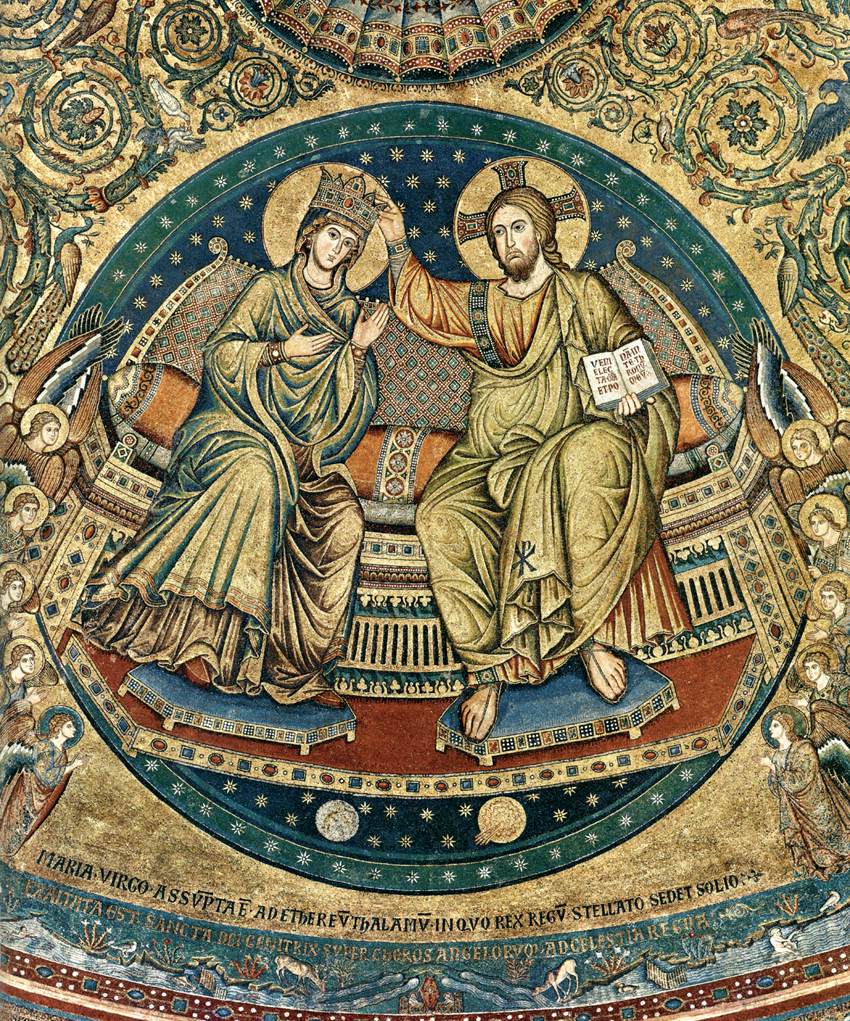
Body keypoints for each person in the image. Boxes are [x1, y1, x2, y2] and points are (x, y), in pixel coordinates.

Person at [379, 176, 689, 740]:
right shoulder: (482, 304)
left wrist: (629, 395)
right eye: (497, 233)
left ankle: (588, 638)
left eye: (517, 227)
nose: (508, 242)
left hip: (578, 430)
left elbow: (630, 350)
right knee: (441, 514)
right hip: (493, 448)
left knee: (584, 461)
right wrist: (398, 243)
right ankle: (487, 667)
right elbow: (426, 303)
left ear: (543, 233)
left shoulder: (583, 292)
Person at [83, 169, 386, 707]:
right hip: (231, 426)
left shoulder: (350, 317)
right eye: (332, 234)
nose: (337, 249)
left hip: (302, 456)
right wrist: (279, 352)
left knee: (344, 518)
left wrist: (358, 351)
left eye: (350, 244)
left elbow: (351, 414)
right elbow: (220, 356)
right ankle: (204, 642)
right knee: (255, 475)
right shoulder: (269, 290)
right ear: (309, 234)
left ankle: (291, 667)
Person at [761, 709, 850, 879]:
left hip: (817, 801)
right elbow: (777, 788)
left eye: (775, 725)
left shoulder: (804, 747)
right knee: (812, 842)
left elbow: (804, 778)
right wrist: (773, 771)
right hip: (796, 808)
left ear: (786, 727)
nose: (770, 729)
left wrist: (773, 767)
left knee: (831, 833)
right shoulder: (777, 756)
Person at [0, 710, 84, 859]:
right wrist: (72, 765)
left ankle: (8, 851)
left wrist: (70, 766)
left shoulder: (62, 753)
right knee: (15, 823)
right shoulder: (44, 746)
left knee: (25, 826)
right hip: (26, 792)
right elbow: (45, 775)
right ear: (58, 728)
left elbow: (56, 782)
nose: (74, 729)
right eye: (69, 726)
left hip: (42, 798)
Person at [802, 497, 850, 578]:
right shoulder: (819, 555)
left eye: (821, 522)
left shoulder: (847, 536)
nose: (816, 527)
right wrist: (821, 576)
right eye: (813, 523)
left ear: (830, 522)